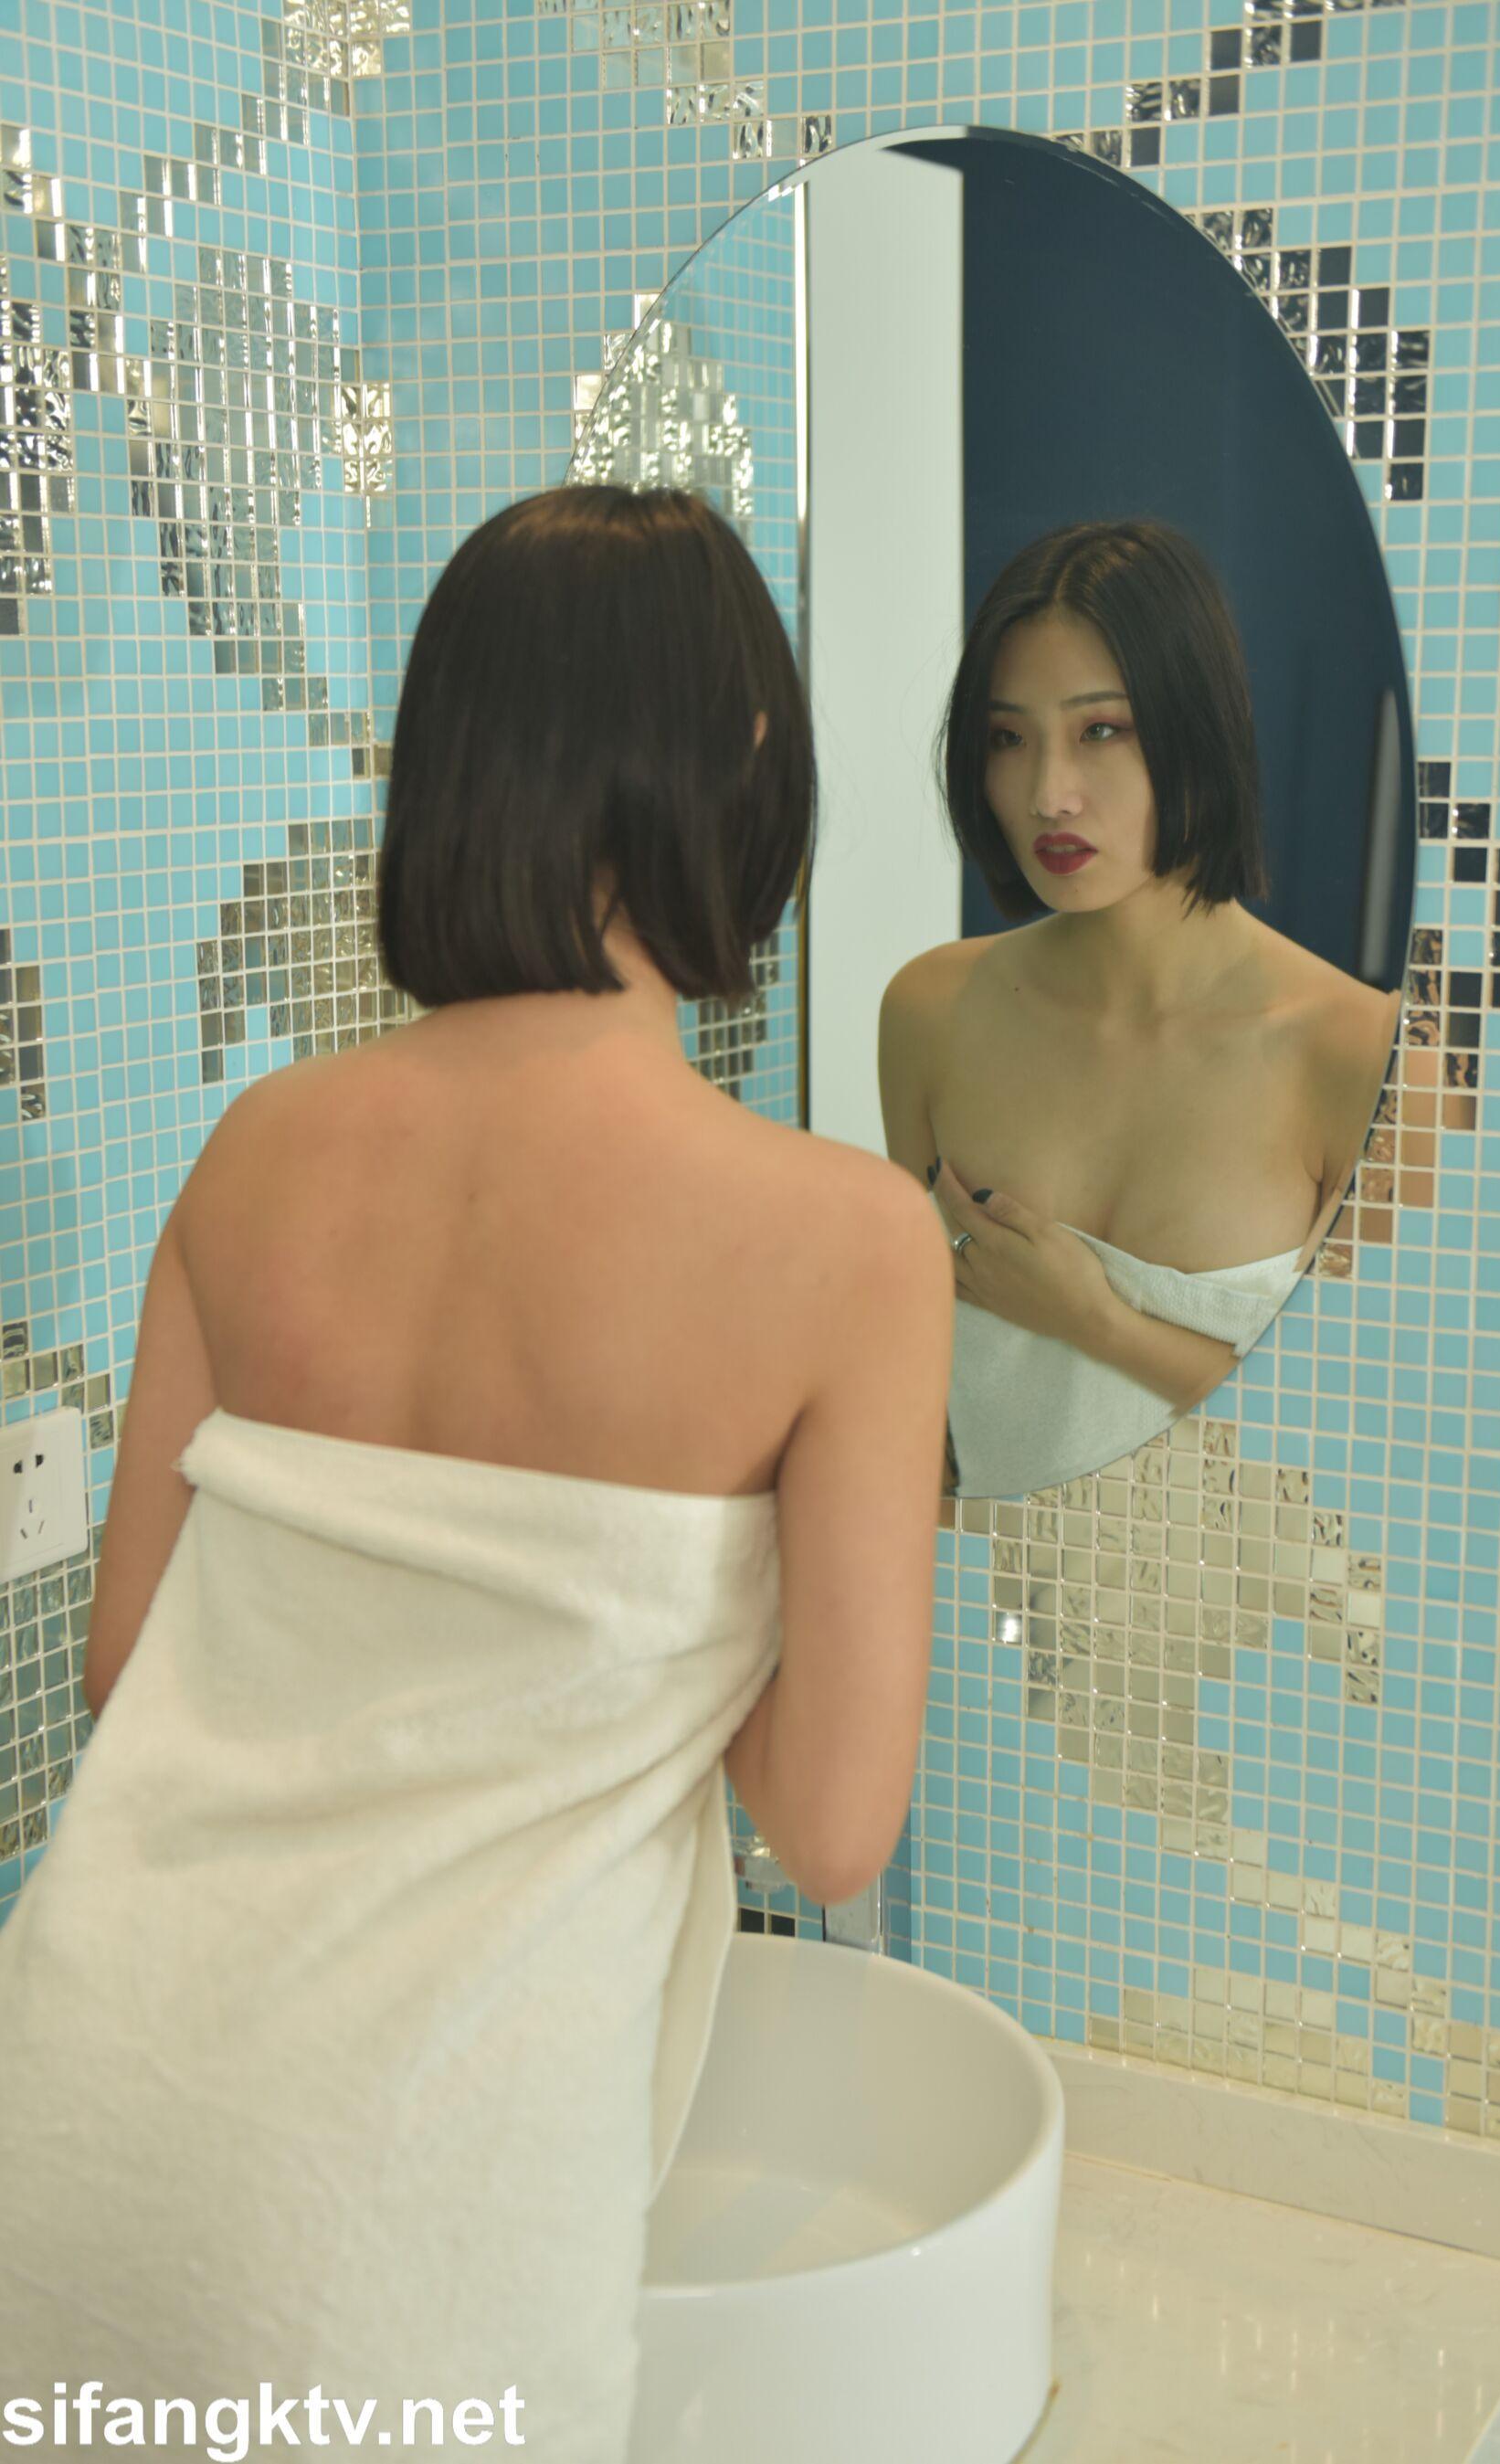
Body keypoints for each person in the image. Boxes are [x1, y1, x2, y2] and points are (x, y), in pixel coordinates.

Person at [0, 488, 952, 2456]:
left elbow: (127, 1666)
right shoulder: (848, 1244)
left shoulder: (257, 1150)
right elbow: (833, 1826)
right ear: (743, 757)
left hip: (74, 2119)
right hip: (404, 2228)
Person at [880, 519, 1397, 1496]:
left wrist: (1098, 1322)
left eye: (1101, 731)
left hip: (1266, 1591)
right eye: (1007, 738)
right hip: (991, 1584)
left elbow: (1377, 1442)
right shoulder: (930, 1011)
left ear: (1195, 728)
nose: (1049, 794)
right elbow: (912, 1384)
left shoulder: (1358, 1051)